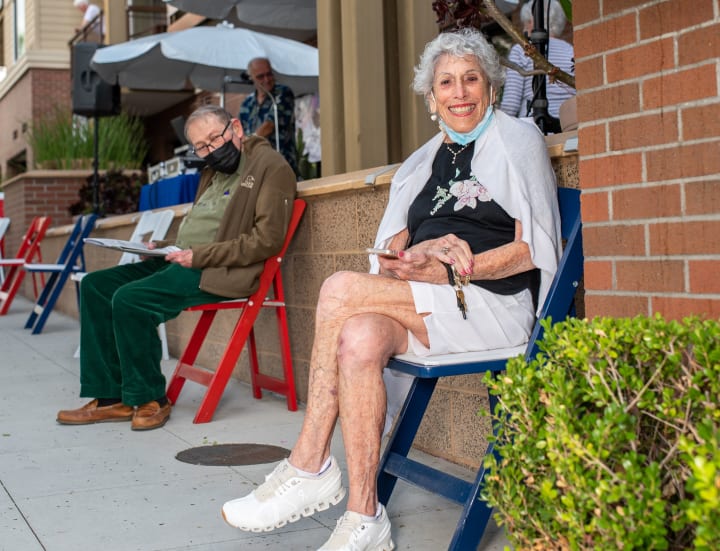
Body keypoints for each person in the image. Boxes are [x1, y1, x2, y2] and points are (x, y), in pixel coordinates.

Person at [221, 28, 561, 550]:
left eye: (471, 79)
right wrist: (421, 255)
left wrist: (454, 271)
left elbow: (532, 250)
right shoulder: (422, 163)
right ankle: (364, 517)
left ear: (491, 86)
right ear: (431, 97)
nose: (460, 92)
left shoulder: (518, 140)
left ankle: (309, 461)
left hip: (491, 303)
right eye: (446, 82)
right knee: (357, 337)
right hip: (428, 299)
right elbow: (389, 253)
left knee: (336, 289)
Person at [56, 105, 296, 431]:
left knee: (130, 299)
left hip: (218, 270)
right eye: (202, 147)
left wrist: (199, 256)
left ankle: (151, 397)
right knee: (96, 286)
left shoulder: (270, 167)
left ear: (236, 129)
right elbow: (204, 227)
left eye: (215, 139)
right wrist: (162, 245)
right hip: (186, 259)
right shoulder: (213, 172)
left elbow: (266, 239)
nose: (211, 150)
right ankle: (111, 398)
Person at [499, 0, 575, 122]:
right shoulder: (571, 50)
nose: (525, 27)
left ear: (532, 22)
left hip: (532, 127)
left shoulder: (521, 50)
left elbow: (511, 104)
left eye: (526, 23)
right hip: (566, 125)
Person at [239, 57, 298, 176]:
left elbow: (269, 126)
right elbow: (240, 132)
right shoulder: (247, 103)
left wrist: (248, 143)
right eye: (260, 76)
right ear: (251, 78)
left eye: (269, 74)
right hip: (256, 166)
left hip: (281, 163)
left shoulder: (283, 93)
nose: (266, 79)